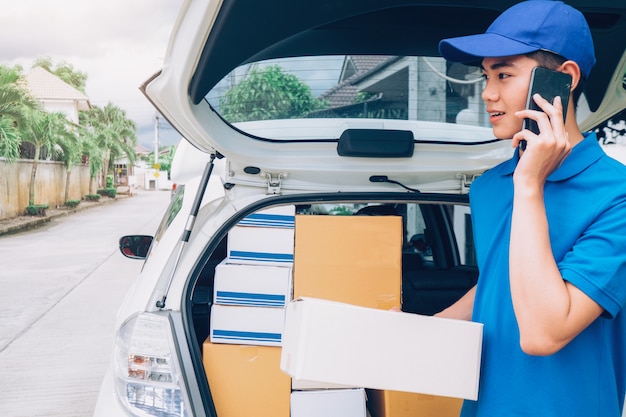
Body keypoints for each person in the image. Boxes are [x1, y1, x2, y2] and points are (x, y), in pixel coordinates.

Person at [436, 1, 626, 416]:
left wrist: (529, 183)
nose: (487, 92)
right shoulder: (489, 187)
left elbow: (543, 333)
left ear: (564, 79)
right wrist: (418, 330)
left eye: (503, 74)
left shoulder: (618, 196)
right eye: (485, 76)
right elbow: (500, 283)